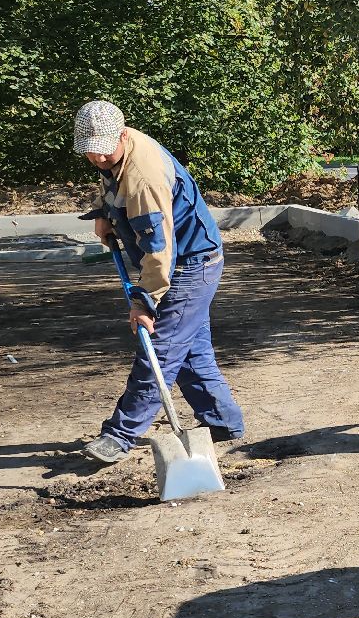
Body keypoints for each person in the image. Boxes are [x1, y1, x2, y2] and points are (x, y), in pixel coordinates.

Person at [73, 100, 245, 463]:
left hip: (187, 266)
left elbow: (159, 253)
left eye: (104, 152)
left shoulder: (144, 178)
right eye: (91, 153)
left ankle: (120, 436)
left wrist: (144, 302)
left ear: (121, 135)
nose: (99, 160)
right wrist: (105, 213)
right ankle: (223, 422)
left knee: (160, 352)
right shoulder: (119, 149)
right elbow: (112, 185)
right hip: (188, 259)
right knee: (191, 351)